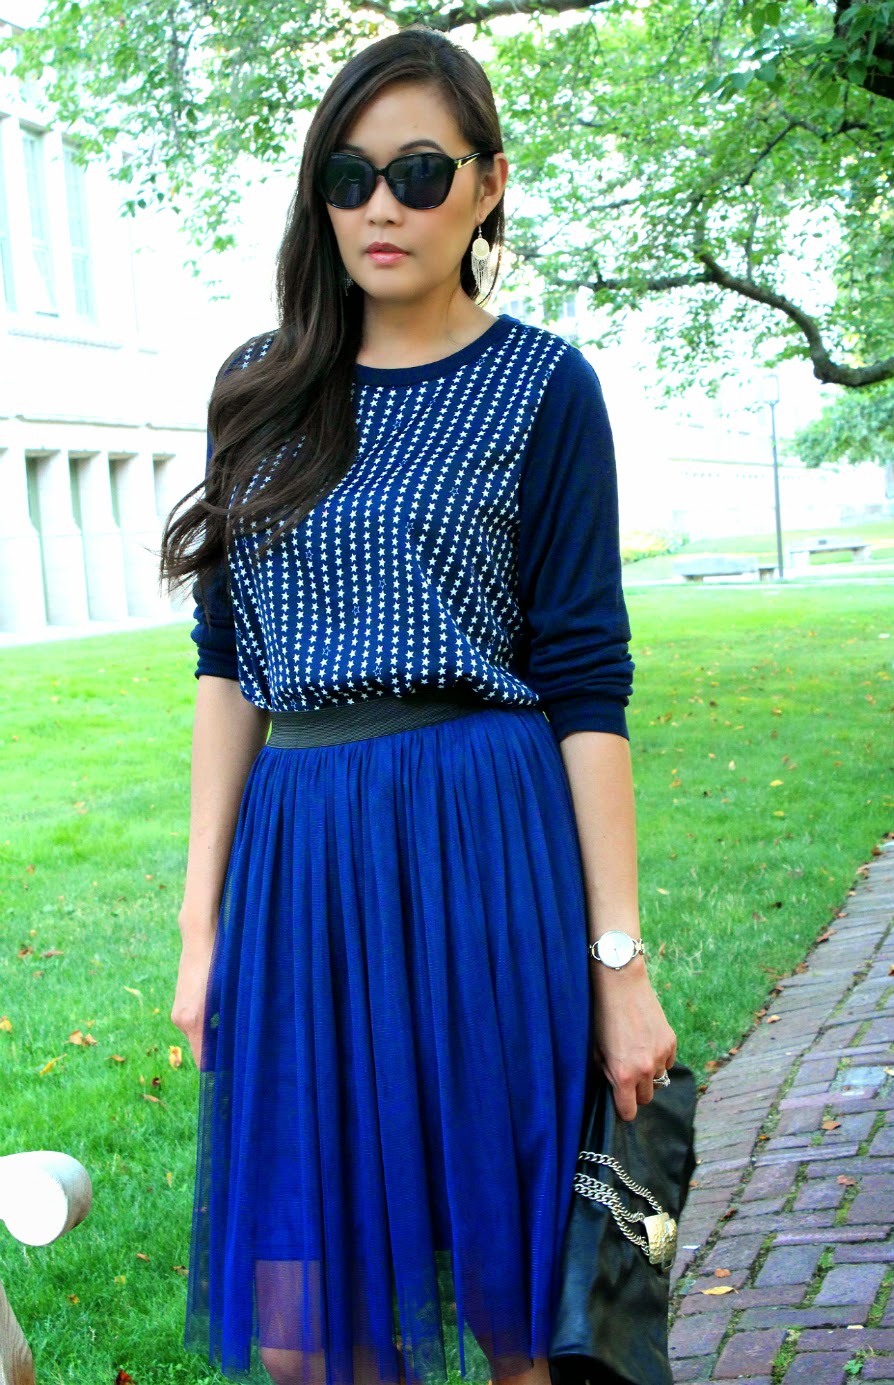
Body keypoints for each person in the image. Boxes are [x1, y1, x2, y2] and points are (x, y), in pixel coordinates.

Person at [161, 23, 676, 1385]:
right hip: (300, 864)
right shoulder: (259, 386)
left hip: (482, 847)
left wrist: (619, 965)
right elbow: (226, 661)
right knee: (302, 1327)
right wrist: (203, 930)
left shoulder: (545, 387)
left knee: (514, 1314)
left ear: (488, 185)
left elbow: (587, 678)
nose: (381, 205)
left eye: (419, 172)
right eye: (350, 176)